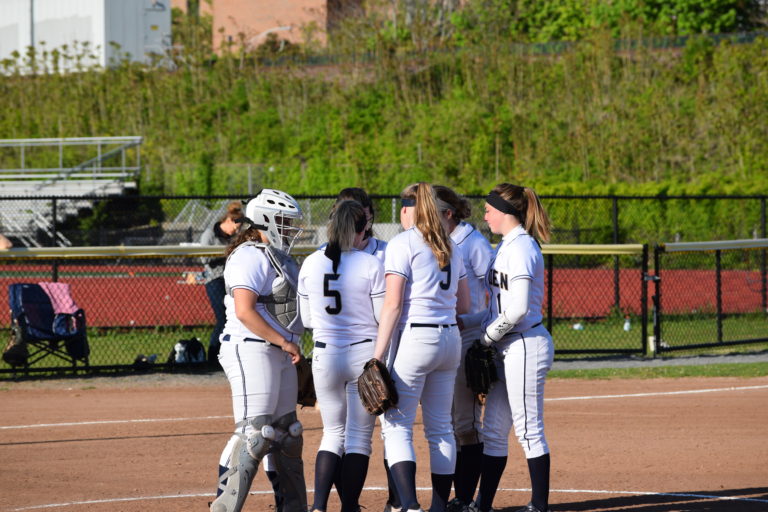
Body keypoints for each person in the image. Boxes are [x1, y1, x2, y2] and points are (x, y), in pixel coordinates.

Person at [373, 182, 471, 512]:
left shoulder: (404, 243)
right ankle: (440, 507)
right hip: (449, 340)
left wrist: (377, 356)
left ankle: (410, 505)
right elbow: (465, 306)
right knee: (441, 427)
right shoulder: (453, 245)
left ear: (415, 209)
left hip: (417, 337)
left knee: (397, 424)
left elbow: (393, 306)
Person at [209, 189, 308, 512]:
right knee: (254, 432)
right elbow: (244, 311)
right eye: (285, 221)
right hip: (250, 347)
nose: (291, 228)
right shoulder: (249, 255)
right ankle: (225, 507)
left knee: (287, 433)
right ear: (267, 219)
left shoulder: (280, 257)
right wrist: (283, 341)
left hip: (280, 352)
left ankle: (292, 507)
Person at [463, 183, 554, 512]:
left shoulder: (522, 249)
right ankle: (482, 504)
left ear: (505, 213)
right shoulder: (506, 246)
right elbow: (495, 309)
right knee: (495, 429)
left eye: (489, 209)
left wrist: (485, 338)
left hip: (525, 346)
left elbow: (516, 310)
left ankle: (539, 506)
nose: (485, 214)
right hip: (507, 345)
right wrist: (468, 321)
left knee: (529, 428)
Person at [298, 200, 386, 512]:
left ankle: (319, 506)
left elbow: (307, 320)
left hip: (324, 353)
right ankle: (349, 507)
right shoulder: (370, 264)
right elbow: (380, 316)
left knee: (332, 434)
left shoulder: (310, 263)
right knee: (359, 439)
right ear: (362, 230)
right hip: (362, 352)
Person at [432, 186, 493, 512]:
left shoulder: (474, 243)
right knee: (448, 421)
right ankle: (461, 497)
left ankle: (467, 498)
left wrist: (474, 325)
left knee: (467, 423)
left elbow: (495, 297)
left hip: (468, 337)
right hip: (447, 337)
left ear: (448, 213)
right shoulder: (439, 242)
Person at [199, 201, 244, 365]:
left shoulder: (234, 237)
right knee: (223, 317)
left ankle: (229, 353)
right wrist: (224, 254)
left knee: (235, 317)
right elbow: (204, 258)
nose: (237, 231)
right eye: (236, 227)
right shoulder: (209, 234)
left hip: (230, 280)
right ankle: (213, 353)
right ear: (229, 221)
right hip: (214, 279)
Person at [332, 187, 387, 263]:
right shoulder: (323, 256)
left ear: (370, 216)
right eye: (349, 217)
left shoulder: (386, 253)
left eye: (364, 217)